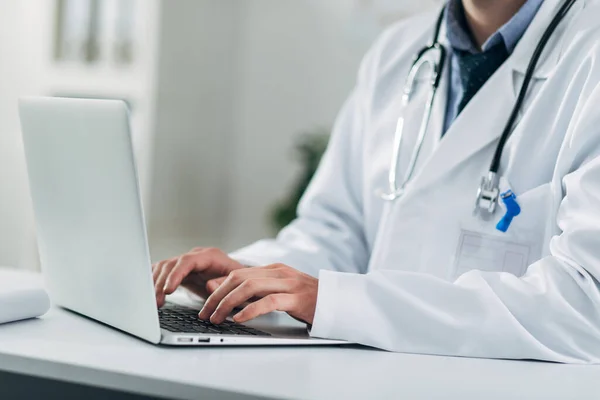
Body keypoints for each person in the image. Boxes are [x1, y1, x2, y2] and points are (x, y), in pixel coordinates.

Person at [152, 0, 600, 363]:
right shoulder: (398, 52)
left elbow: (585, 308)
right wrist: (247, 278)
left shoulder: (589, 55)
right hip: (371, 378)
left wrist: (338, 301)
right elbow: (335, 233)